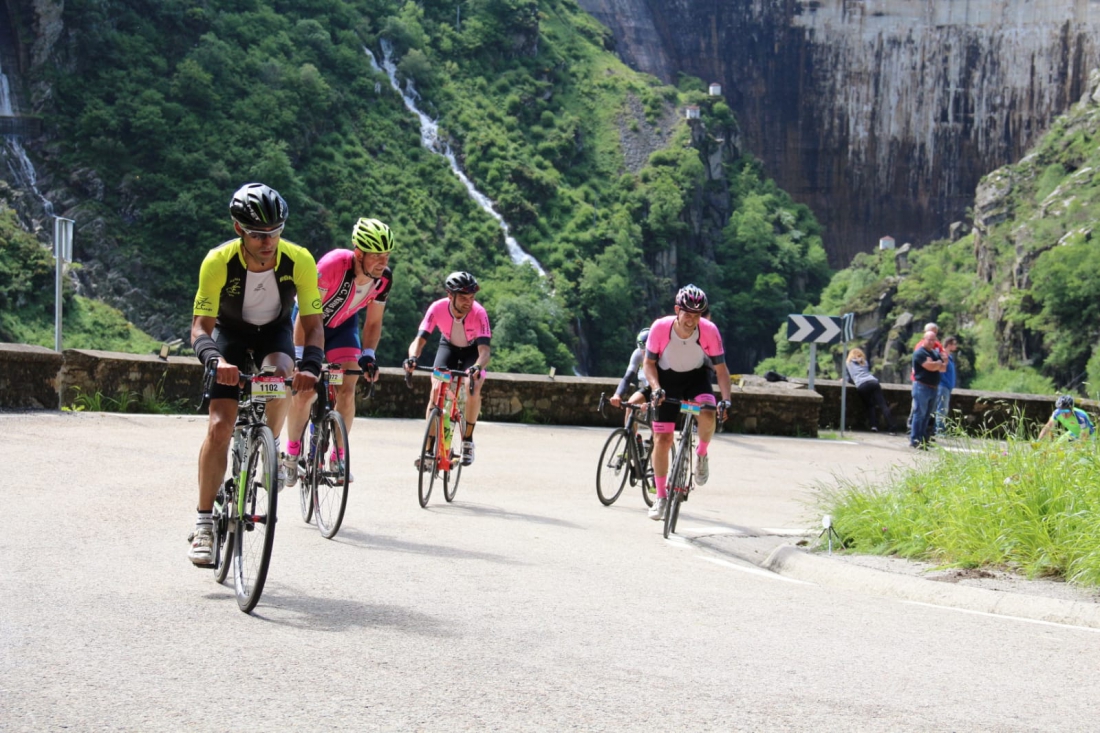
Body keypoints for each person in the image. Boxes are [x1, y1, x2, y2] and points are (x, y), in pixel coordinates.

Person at [188, 183, 324, 565]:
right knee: (219, 426)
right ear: (238, 229)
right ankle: (203, 524)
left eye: (276, 232)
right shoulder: (218, 261)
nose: (269, 241)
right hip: (229, 336)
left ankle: (269, 443)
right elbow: (200, 327)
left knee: (279, 377)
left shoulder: (298, 260)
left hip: (274, 335)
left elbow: (313, 326)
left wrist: (310, 366)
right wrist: (217, 361)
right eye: (259, 234)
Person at [282, 218, 395, 486]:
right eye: (376, 255)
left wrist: (368, 354)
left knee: (348, 384)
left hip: (343, 327)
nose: (382, 261)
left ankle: (339, 456)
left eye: (386, 255)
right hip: (310, 323)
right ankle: (292, 454)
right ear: (359, 253)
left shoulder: (383, 280)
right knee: (305, 390)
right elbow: (307, 313)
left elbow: (373, 322)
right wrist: (301, 357)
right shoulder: (333, 264)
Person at [643, 284, 732, 521]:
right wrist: (656, 388)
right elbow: (649, 364)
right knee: (662, 439)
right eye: (687, 314)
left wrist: (726, 400)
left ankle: (702, 455)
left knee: (708, 411)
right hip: (667, 380)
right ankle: (660, 498)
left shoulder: (709, 330)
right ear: (676, 310)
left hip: (696, 378)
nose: (691, 320)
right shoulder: (660, 328)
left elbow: (721, 370)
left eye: (697, 315)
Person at [403, 271, 491, 466]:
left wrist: (477, 366)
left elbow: (484, 352)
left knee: (474, 384)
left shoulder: (479, 312)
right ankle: (428, 449)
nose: (469, 302)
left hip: (471, 352)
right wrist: (412, 358)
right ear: (450, 295)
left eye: (472, 297)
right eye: (463, 297)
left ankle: (467, 440)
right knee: (436, 391)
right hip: (448, 347)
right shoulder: (437, 308)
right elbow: (419, 340)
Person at [845, 348, 897, 435]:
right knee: (883, 405)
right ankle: (892, 428)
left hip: (862, 385)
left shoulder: (848, 363)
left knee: (870, 405)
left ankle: (874, 426)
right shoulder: (864, 362)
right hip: (873, 382)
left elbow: (849, 378)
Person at [909, 329, 945, 449]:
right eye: (929, 339)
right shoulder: (920, 353)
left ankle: (923, 438)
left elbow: (943, 368)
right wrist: (937, 363)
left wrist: (937, 363)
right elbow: (929, 366)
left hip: (933, 388)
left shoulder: (934, 353)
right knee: (919, 413)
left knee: (927, 415)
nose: (931, 342)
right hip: (921, 387)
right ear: (924, 340)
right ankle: (915, 439)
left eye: (933, 340)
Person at [934, 335, 959, 436]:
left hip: (947, 386)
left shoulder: (949, 357)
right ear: (949, 345)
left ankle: (941, 429)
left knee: (944, 409)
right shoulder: (943, 356)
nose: (956, 346)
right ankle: (939, 430)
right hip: (943, 386)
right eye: (954, 344)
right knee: (942, 409)